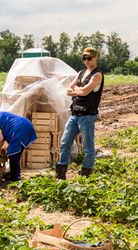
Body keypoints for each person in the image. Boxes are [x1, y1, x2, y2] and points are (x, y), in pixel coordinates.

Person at [56, 47, 104, 179]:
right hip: (75, 114)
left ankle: (86, 175)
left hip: (87, 115)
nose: (87, 61)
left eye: (89, 58)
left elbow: (85, 92)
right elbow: (68, 90)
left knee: (88, 146)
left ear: (95, 58)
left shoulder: (97, 75)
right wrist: (79, 89)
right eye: (84, 58)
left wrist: (78, 89)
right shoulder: (81, 73)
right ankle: (61, 173)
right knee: (65, 142)